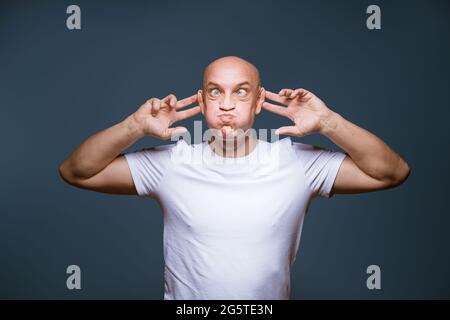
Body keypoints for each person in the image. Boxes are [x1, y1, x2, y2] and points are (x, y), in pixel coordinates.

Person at [59, 56, 410, 300]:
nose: (227, 103)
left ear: (258, 102)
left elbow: (392, 172)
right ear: (202, 101)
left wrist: (329, 122)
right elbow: (75, 171)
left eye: (241, 91)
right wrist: (134, 126)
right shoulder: (172, 162)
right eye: (216, 91)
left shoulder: (297, 163)